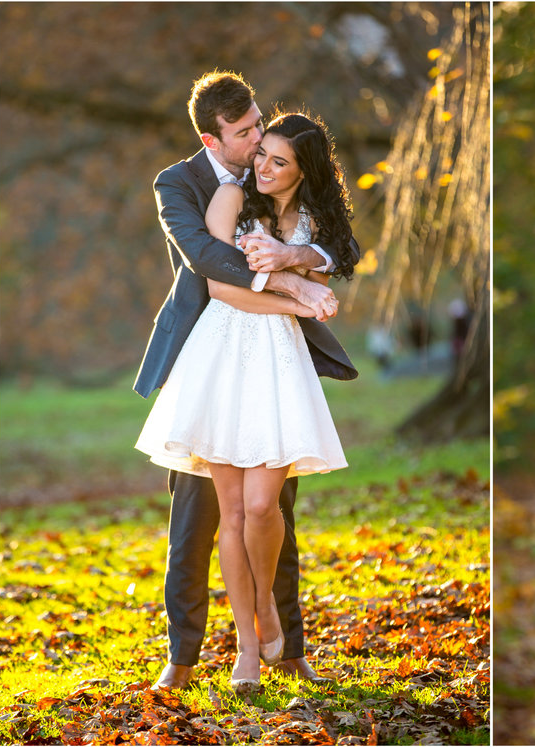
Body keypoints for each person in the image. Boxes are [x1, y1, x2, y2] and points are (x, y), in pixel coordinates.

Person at [133, 71, 359, 690]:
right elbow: (205, 259)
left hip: (275, 365)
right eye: (247, 134)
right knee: (195, 521)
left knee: (273, 511)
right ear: (214, 139)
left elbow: (338, 241)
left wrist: (304, 260)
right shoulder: (180, 184)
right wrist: (293, 285)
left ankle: (284, 645)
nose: (258, 139)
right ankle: (183, 655)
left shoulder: (286, 183)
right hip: (209, 362)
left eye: (261, 125)